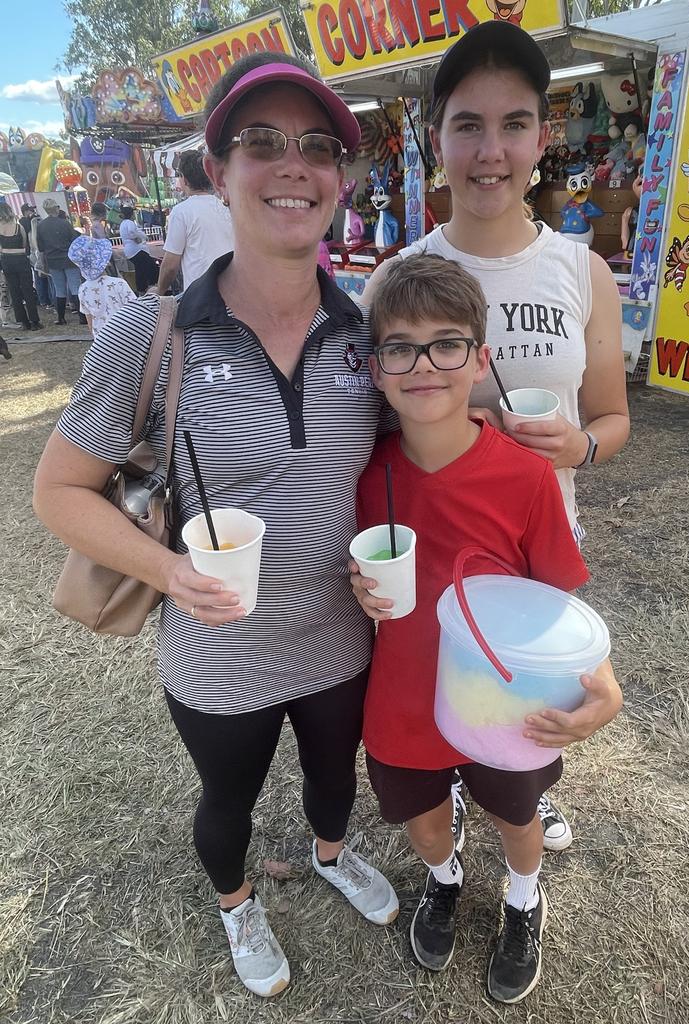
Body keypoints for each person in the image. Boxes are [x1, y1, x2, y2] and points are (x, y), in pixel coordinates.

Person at [33, 50, 399, 1001]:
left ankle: (327, 853)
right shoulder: (150, 334)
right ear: (219, 166)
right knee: (228, 802)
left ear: (340, 182)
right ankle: (237, 903)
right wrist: (166, 572)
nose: (293, 165)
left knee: (333, 781)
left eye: (318, 146)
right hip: (216, 645)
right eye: (261, 142)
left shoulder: (366, 336)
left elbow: (419, 456)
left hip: (337, 633)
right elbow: (59, 492)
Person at [362, 21, 630, 852]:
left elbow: (612, 419)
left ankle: (519, 791)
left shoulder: (582, 271)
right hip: (436, 541)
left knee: (524, 723)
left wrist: (578, 449)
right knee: (438, 702)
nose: (490, 150)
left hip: (536, 539)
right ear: (436, 138)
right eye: (466, 125)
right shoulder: (397, 278)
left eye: (513, 123)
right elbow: (374, 429)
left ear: (542, 140)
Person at [351, 254, 623, 1003]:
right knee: (425, 825)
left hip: (506, 697)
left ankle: (523, 896)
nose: (424, 365)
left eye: (447, 344)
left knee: (517, 811)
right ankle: (444, 880)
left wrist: (600, 681)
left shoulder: (527, 476)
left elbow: (562, 600)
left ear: (481, 359)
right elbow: (357, 576)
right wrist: (357, 588)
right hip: (404, 695)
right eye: (400, 347)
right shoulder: (366, 475)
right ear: (377, 369)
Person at [154, 149, 233, 294]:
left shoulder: (181, 212)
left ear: (184, 179)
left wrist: (159, 290)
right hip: (231, 291)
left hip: (201, 296)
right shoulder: (225, 207)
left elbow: (170, 265)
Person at [68, 235, 135, 342]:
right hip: (126, 335)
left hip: (102, 339)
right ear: (106, 260)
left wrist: (95, 338)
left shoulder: (83, 290)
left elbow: (89, 319)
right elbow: (135, 310)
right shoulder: (119, 284)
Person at [36, 199, 85, 325]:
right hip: (68, 259)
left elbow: (40, 247)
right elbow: (75, 241)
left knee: (59, 289)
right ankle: (82, 317)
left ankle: (61, 317)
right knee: (75, 287)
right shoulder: (65, 223)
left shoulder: (41, 226)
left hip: (52, 260)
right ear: (56, 208)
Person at [0, 202, 42, 330]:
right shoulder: (18, 227)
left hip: (7, 260)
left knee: (14, 291)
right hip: (20, 258)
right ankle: (34, 321)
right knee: (27, 290)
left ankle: (23, 321)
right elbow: (25, 244)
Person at [118, 206, 159, 294]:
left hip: (130, 250)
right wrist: (136, 238)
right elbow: (132, 232)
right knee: (150, 266)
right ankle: (148, 285)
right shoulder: (130, 223)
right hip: (136, 249)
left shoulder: (123, 224)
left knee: (141, 268)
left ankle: (142, 288)